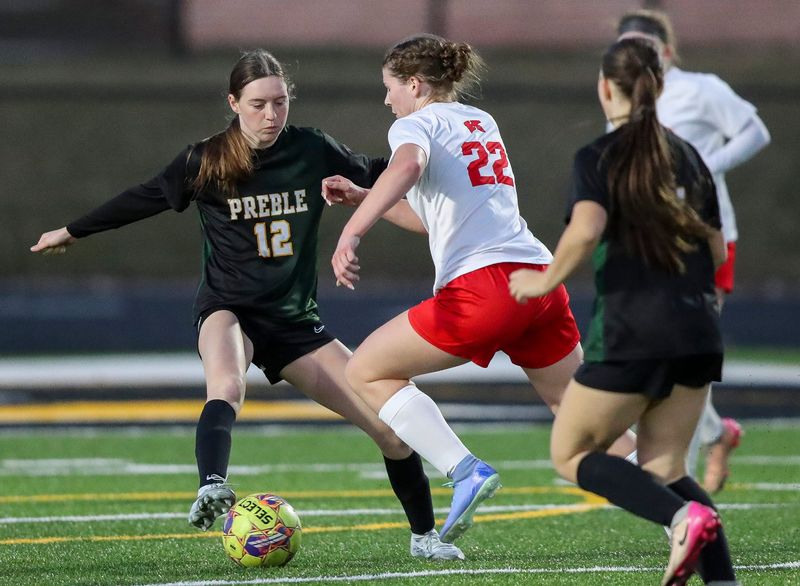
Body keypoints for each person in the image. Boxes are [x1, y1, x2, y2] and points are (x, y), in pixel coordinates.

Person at [30, 49, 465, 561]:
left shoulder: (311, 147)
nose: (271, 115)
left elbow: (384, 172)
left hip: (295, 320)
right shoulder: (206, 159)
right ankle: (211, 485)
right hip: (229, 307)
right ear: (234, 103)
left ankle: (424, 538)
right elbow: (144, 197)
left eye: (280, 102)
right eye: (258, 104)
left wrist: (457, 173)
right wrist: (71, 231)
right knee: (227, 385)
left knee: (388, 429)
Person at [324, 33, 636, 545]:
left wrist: (352, 231)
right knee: (578, 414)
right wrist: (363, 196)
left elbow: (406, 166)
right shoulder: (479, 120)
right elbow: (434, 219)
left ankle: (463, 469)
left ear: (415, 85)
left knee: (364, 370)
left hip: (484, 288)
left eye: (390, 87)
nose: (386, 99)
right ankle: (677, 497)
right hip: (538, 281)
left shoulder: (414, 123)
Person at [509, 38, 738, 585]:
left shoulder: (600, 156)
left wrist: (544, 280)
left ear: (605, 88)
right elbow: (716, 246)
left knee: (571, 453)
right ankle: (722, 578)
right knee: (665, 469)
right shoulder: (689, 155)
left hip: (635, 330)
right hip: (698, 331)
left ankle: (681, 521)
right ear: (658, 86)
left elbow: (586, 228)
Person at [616, 9, 771, 493]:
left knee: (681, 350)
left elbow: (755, 131)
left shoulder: (700, 89)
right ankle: (712, 435)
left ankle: (675, 479)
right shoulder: (623, 97)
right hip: (647, 239)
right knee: (655, 350)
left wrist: (708, 164)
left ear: (665, 51)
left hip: (702, 236)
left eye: (642, 45)